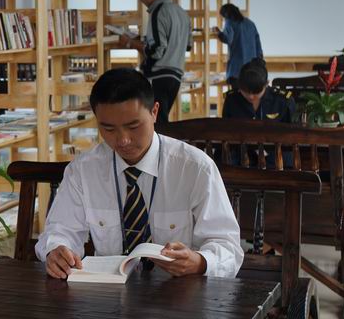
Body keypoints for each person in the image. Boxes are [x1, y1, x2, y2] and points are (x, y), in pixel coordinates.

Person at [36, 68, 243, 280]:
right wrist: (57, 251)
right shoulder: (83, 170)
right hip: (108, 292)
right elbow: (60, 231)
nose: (123, 140)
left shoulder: (195, 168)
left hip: (178, 291)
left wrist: (199, 262)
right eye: (108, 129)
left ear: (154, 112)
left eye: (133, 126)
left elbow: (227, 247)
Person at [118, 0, 192, 124]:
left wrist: (130, 43)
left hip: (158, 76)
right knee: (161, 121)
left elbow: (157, 50)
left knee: (155, 124)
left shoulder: (158, 11)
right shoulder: (181, 12)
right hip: (175, 76)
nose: (141, 1)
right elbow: (188, 46)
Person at [222, 58, 296, 122]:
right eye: (245, 92)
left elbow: (294, 129)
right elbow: (225, 129)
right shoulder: (231, 99)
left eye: (256, 92)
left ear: (266, 84)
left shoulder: (282, 101)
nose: (251, 97)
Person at [213, 3, 263, 88]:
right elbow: (258, 46)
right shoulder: (250, 23)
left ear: (226, 15)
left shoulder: (230, 22)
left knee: (237, 94)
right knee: (249, 93)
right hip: (252, 68)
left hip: (237, 69)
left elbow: (227, 38)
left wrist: (218, 32)